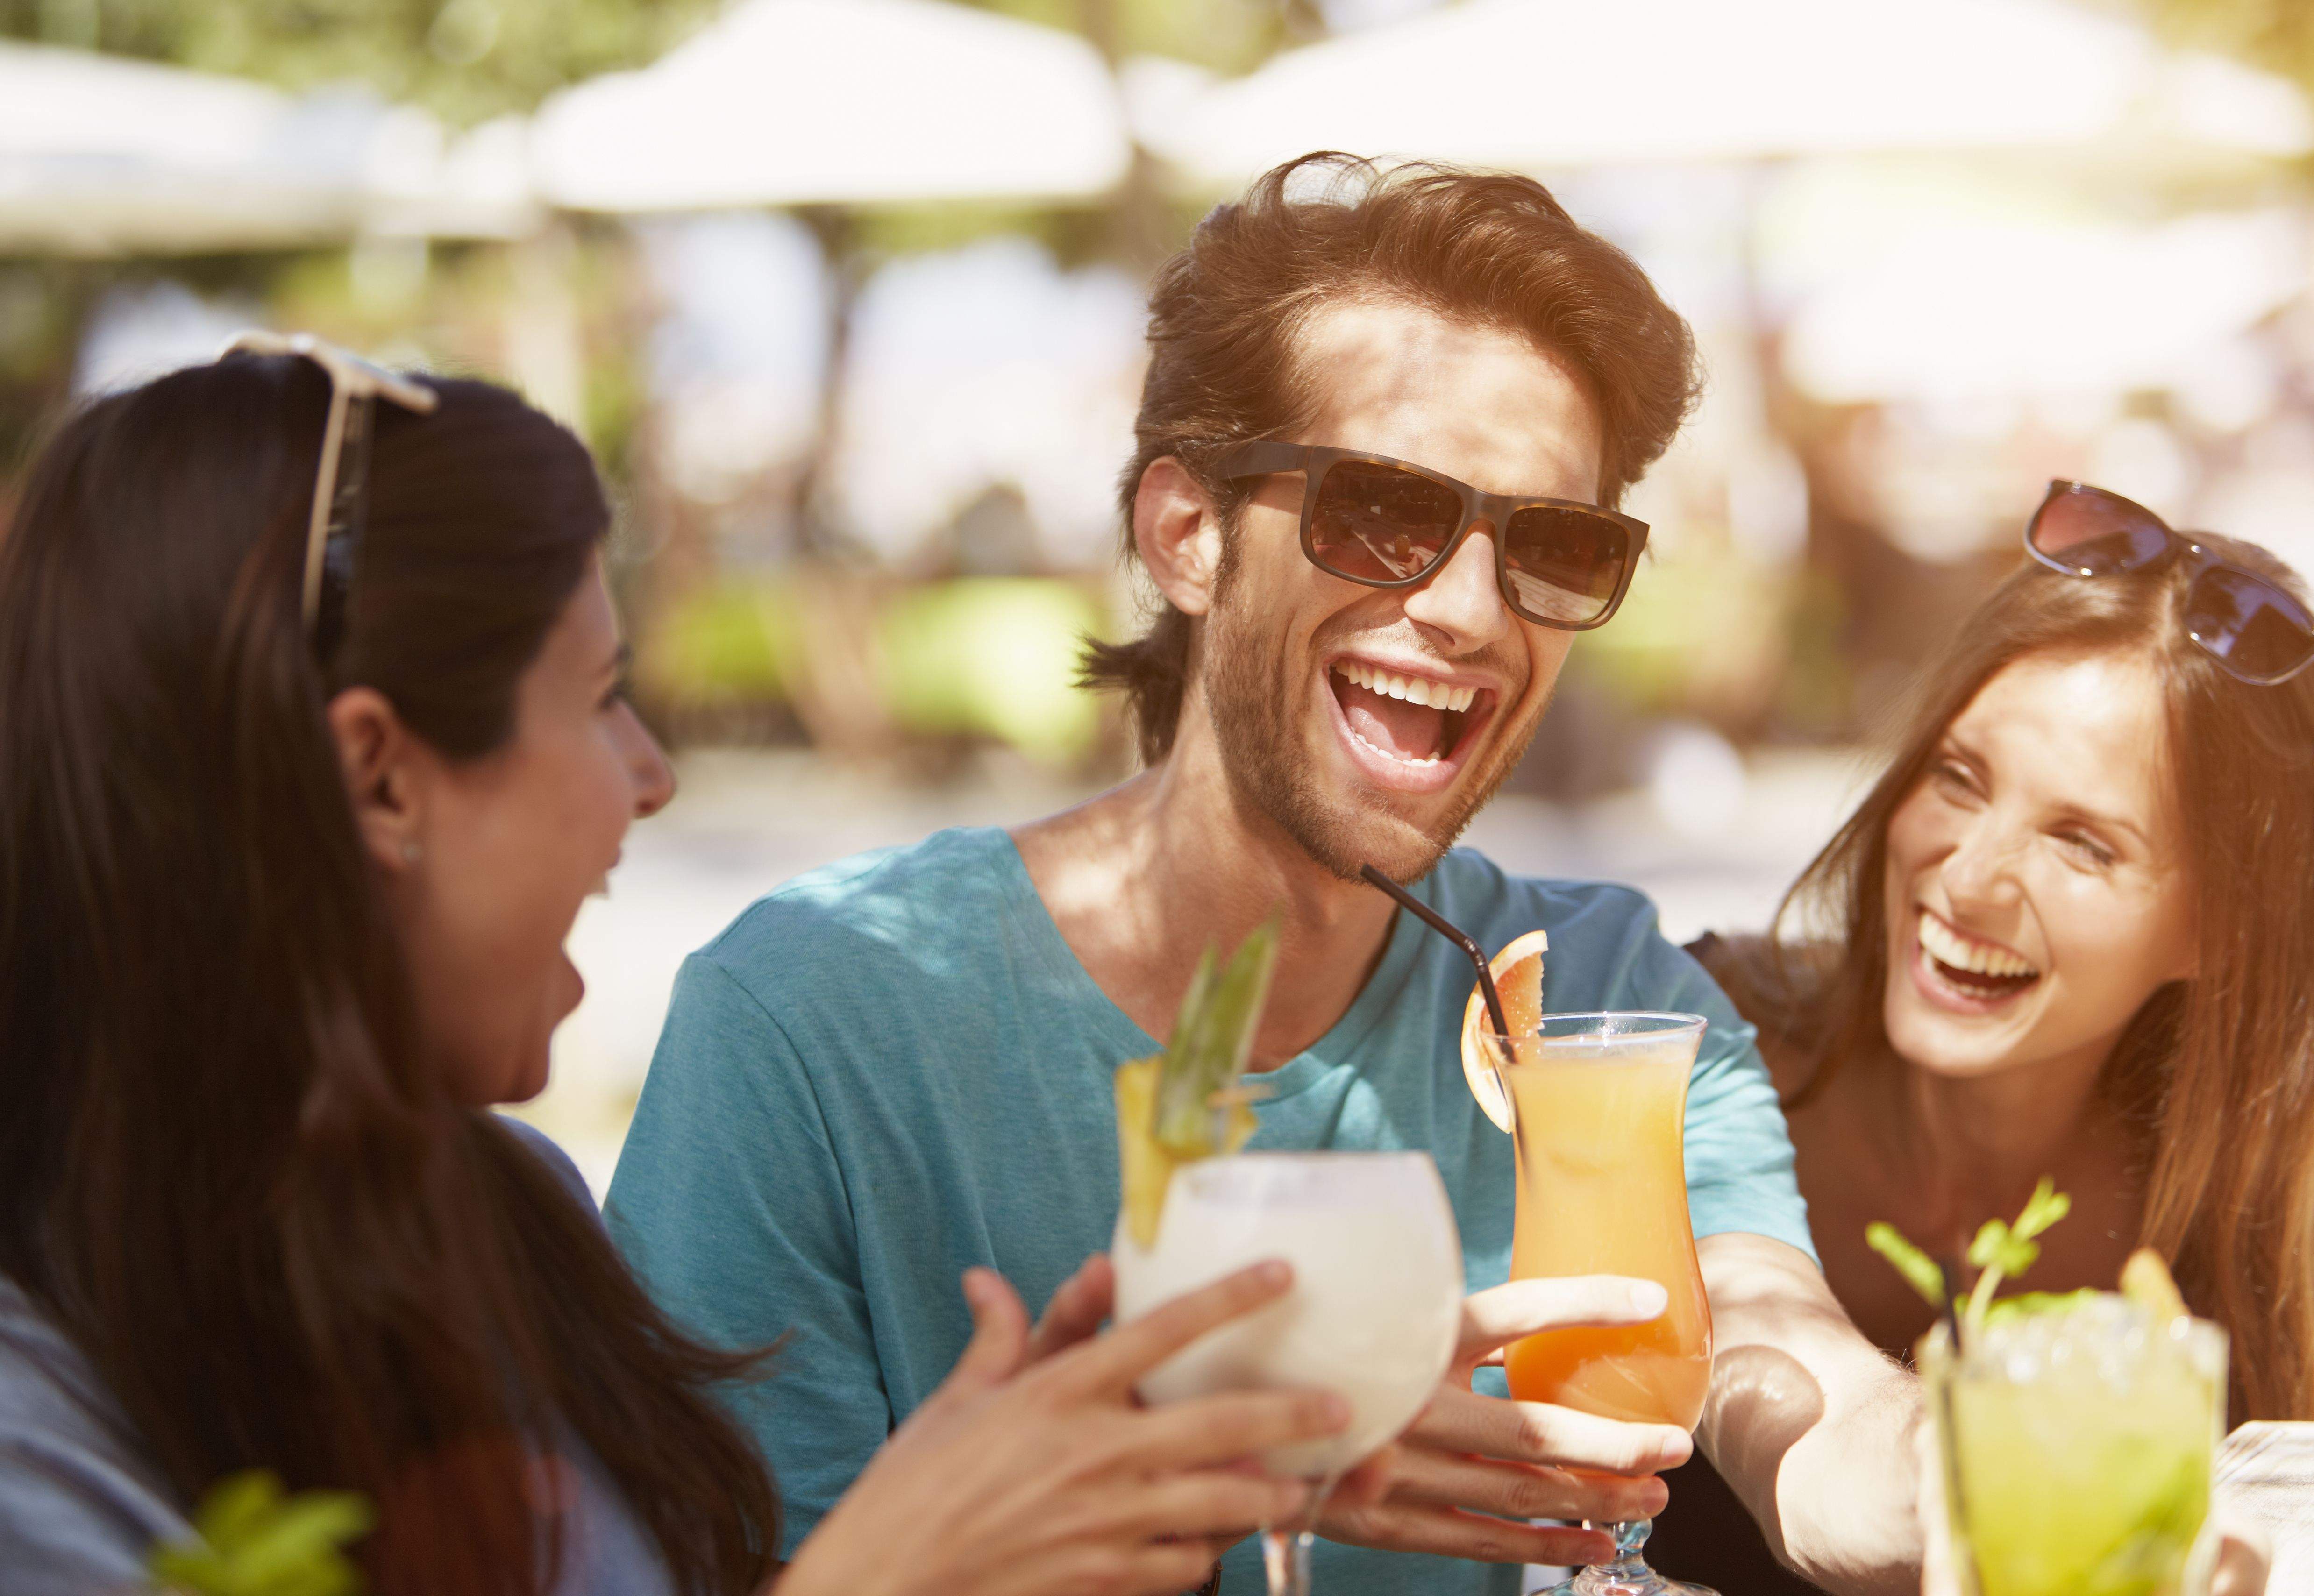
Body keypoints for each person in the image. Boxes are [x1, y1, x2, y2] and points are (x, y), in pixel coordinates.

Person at [605, 154, 1923, 1596]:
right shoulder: (811, 1023)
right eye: (1379, 512)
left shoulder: (1592, 995)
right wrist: (1192, 1486)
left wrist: (1976, 1485)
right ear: (1186, 535)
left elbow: (1780, 1359)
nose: (1469, 610)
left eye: (1550, 543)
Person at [0, 342, 1361, 1596]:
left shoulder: (499, 1214)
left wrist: (1022, 1518)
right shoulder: (33, 1422)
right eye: (598, 698)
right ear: (377, 775)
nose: (650, 777)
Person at [1650, 482, 2314, 1593]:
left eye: (2083, 843)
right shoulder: (1697, 1051)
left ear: (2221, 924)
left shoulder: (2284, 1183)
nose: (1970, 878)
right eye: (1956, 777)